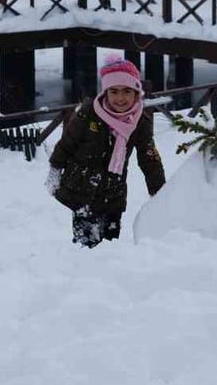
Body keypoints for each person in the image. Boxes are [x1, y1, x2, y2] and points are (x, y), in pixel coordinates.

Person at [46, 58, 165, 248]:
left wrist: (159, 192)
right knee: (86, 244)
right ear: (105, 92)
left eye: (127, 91)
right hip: (82, 189)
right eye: (114, 91)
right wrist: (55, 170)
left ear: (137, 93)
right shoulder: (89, 112)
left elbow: (149, 158)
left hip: (113, 193)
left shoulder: (140, 121)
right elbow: (67, 143)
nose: (120, 98)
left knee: (110, 246)